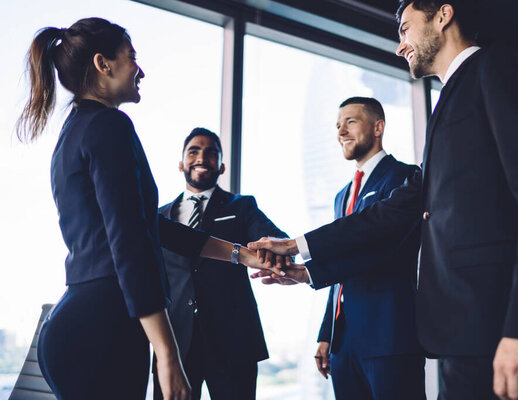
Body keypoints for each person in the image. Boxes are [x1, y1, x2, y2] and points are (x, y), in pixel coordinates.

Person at [249, 1, 518, 399]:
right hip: (463, 333)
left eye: (405, 29)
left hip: (503, 327)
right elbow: (388, 215)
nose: (399, 46)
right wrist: (297, 246)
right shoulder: (448, 103)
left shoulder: (499, 68)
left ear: (443, 16)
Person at [16, 17, 279, 400]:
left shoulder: (75, 130)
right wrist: (168, 354)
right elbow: (130, 243)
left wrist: (241, 255)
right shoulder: (110, 126)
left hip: (79, 321)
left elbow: (155, 229)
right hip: (105, 328)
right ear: (103, 65)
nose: (140, 70)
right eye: (131, 58)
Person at [153, 127, 287, 400]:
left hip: (233, 340)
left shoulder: (242, 207)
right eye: (194, 151)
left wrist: (278, 252)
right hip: (175, 339)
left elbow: (278, 241)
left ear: (222, 165)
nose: (202, 157)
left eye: (211, 152)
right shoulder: (159, 217)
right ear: (181, 164)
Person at [308, 97, 424, 400]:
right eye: (337, 125)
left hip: (389, 336)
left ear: (378, 127)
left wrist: (303, 270)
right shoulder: (341, 196)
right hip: (343, 344)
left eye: (350, 122)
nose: (341, 132)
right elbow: (339, 268)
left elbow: (380, 249)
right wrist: (326, 335)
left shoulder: (404, 178)